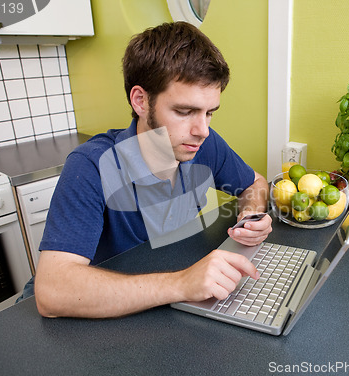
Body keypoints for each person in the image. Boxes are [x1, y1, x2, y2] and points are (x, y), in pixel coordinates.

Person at [32, 21, 272, 319]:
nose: (203, 130)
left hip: (154, 304)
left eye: (209, 113)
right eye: (185, 112)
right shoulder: (90, 166)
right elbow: (52, 293)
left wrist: (249, 215)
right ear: (141, 101)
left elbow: (255, 183)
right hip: (81, 325)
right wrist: (183, 284)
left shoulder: (202, 144)